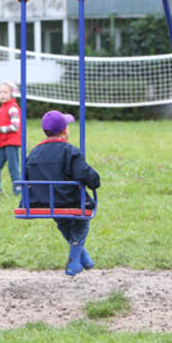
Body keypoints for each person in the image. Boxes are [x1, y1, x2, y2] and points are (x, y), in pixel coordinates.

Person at [24, 110, 101, 276]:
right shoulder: (70, 151)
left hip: (40, 201)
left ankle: (84, 258)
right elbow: (86, 175)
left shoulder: (34, 152)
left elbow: (26, 175)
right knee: (82, 218)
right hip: (67, 201)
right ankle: (74, 261)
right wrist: (95, 181)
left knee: (63, 219)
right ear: (65, 131)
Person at [0, 82, 21, 195]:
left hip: (12, 143)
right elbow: (5, 123)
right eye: (0, 92)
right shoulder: (3, 108)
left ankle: (19, 191)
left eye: (6, 92)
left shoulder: (13, 108)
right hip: (3, 142)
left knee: (13, 168)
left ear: (12, 94)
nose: (2, 95)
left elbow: (15, 127)